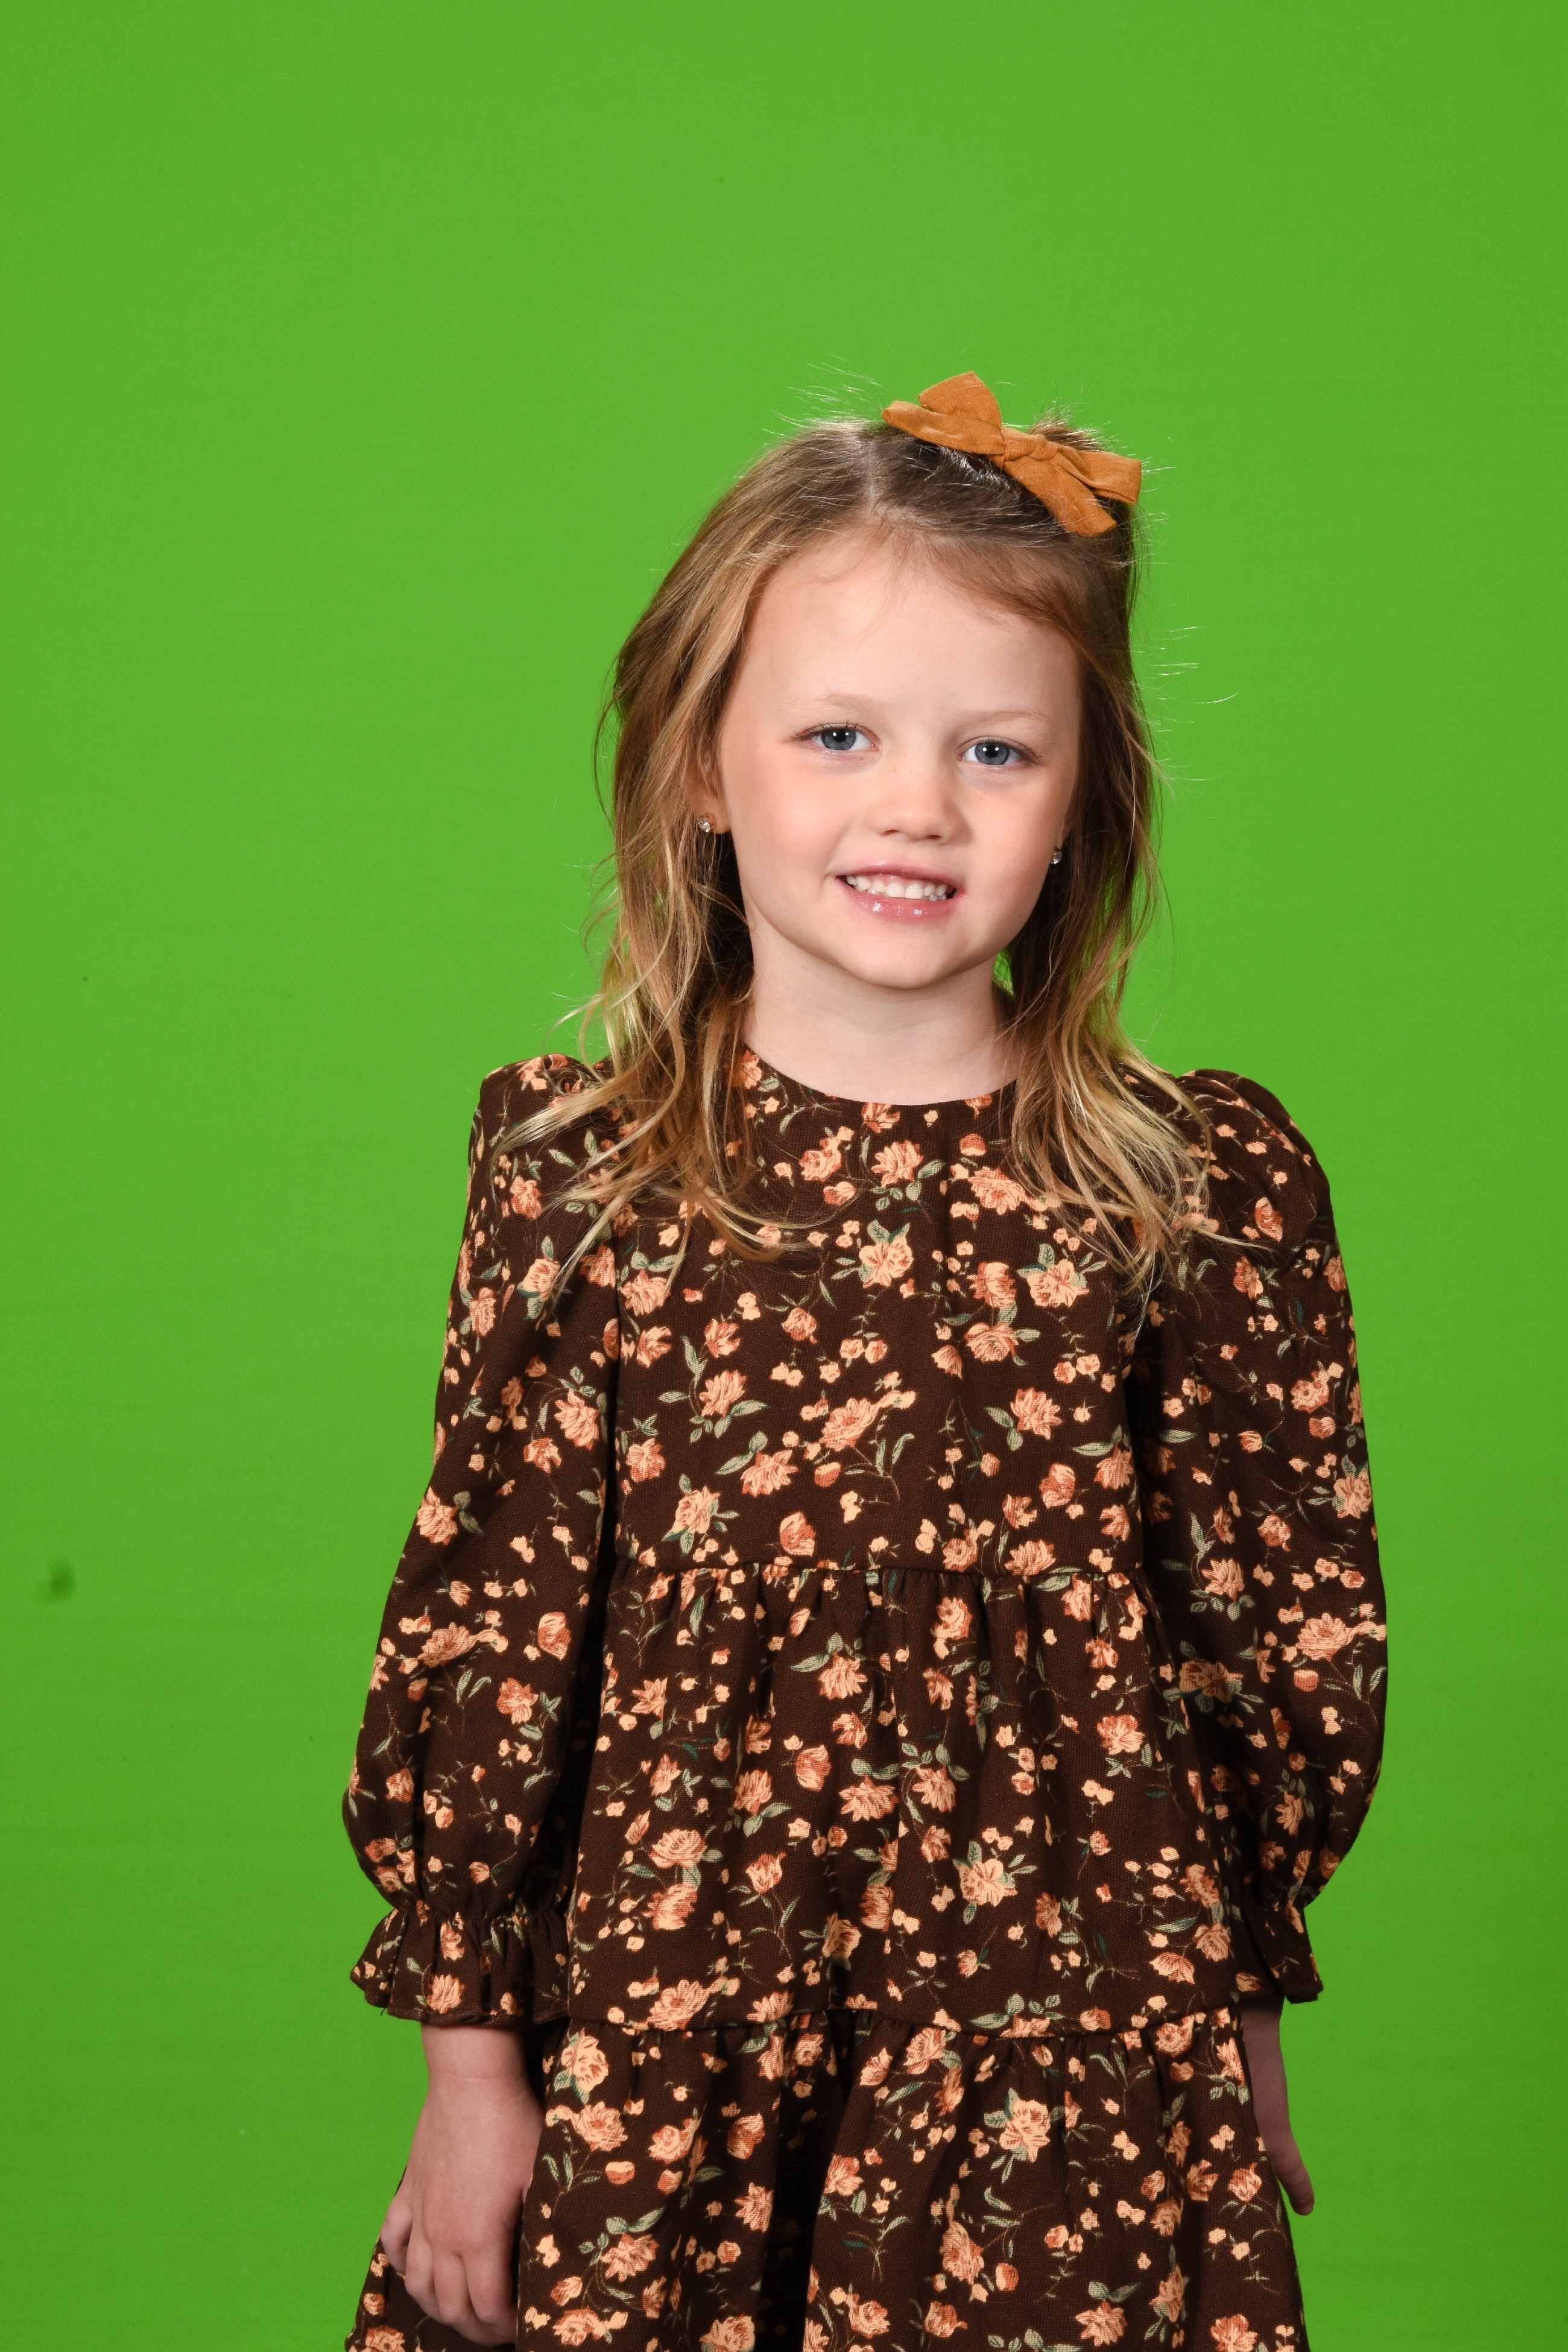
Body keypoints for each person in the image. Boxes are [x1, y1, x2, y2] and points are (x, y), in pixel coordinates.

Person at [343, 373, 1385, 2352]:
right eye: (841, 735)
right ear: (701, 767)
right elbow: (493, 1633)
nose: (918, 805)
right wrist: (470, 2071)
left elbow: (1246, 1639)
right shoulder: (588, 1184)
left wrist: (1233, 2019)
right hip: (678, 2041)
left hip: (1065, 2054)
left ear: (1082, 801)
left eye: (997, 748)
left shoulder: (1182, 1191)